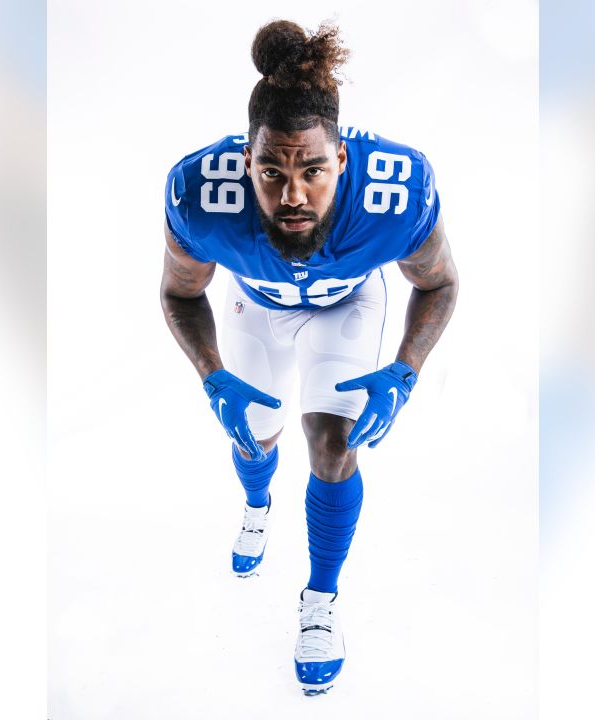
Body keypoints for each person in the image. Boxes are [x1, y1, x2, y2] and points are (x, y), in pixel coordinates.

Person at [159, 19, 458, 695]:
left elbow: (438, 281)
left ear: (343, 160)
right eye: (272, 171)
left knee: (334, 444)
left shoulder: (396, 191)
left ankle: (320, 600)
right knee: (253, 435)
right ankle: (258, 500)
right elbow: (179, 293)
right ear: (244, 163)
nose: (293, 194)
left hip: (346, 306)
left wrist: (405, 371)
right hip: (256, 309)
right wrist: (212, 378)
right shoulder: (199, 194)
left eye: (313, 170)